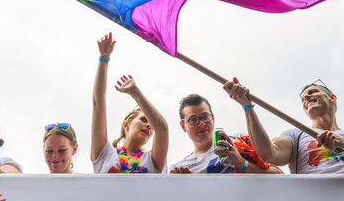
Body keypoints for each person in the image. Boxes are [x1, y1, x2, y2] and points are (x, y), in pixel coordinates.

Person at [224, 78, 344, 174]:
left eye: (312, 92)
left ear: (332, 97)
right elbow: (268, 153)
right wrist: (247, 107)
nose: (306, 97)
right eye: (303, 98)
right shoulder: (296, 135)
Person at [91, 33, 168, 173]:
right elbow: (98, 104)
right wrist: (104, 58)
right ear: (126, 125)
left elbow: (162, 130)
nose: (149, 126)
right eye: (144, 119)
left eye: (151, 124)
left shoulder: (152, 159)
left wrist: (136, 93)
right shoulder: (105, 154)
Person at [170, 93, 282, 174]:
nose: (202, 123)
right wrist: (184, 184)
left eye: (205, 117)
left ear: (212, 118)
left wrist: (241, 163)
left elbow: (278, 175)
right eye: (193, 120)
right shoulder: (180, 168)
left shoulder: (238, 140)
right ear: (183, 126)